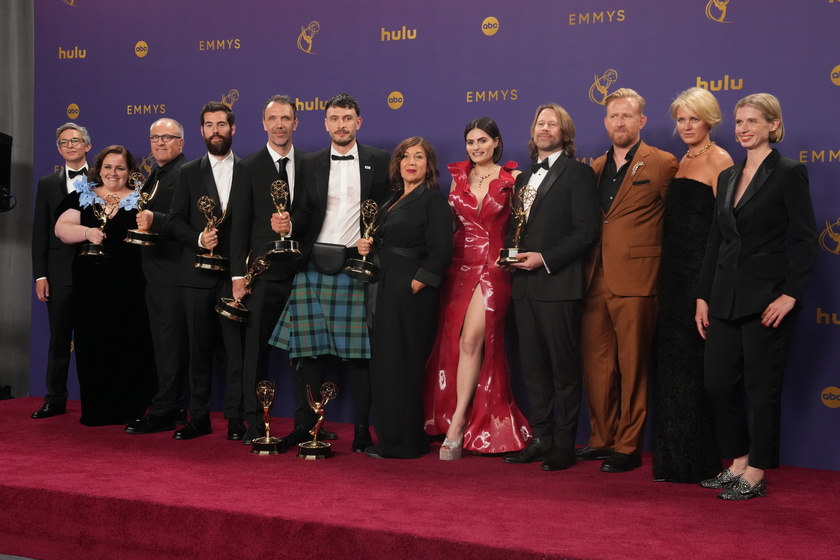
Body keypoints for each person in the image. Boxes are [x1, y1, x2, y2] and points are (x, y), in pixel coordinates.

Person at [695, 93, 818, 500]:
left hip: (767, 298)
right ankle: (737, 461)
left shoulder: (788, 172)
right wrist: (703, 297)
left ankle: (757, 472)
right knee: (716, 383)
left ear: (772, 125)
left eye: (752, 121)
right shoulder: (728, 175)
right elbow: (716, 240)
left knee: (760, 388)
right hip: (725, 297)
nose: (744, 129)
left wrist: (789, 297)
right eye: (739, 122)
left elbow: (805, 242)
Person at [269, 93, 390, 452]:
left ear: (359, 122)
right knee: (306, 353)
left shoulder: (379, 161)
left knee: (359, 356)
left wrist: (374, 243)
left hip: (356, 264)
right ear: (325, 124)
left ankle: (362, 433)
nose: (341, 124)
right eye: (334, 118)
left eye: (347, 118)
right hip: (312, 264)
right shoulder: (310, 162)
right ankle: (306, 428)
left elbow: (386, 212)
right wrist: (288, 223)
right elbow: (305, 210)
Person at [579, 88, 678, 472]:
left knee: (632, 365)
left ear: (642, 121)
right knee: (597, 365)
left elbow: (679, 225)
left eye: (627, 116)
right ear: (605, 123)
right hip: (594, 277)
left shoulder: (663, 162)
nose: (620, 122)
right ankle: (601, 438)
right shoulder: (596, 167)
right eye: (613, 117)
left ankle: (628, 445)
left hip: (639, 278)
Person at [499, 104, 600, 471]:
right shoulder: (523, 178)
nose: (545, 129)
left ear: (564, 132)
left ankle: (563, 444)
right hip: (523, 286)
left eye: (552, 124)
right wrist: (509, 255)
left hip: (558, 285)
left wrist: (546, 258)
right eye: (540, 123)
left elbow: (587, 231)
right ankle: (540, 438)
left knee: (563, 369)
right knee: (534, 368)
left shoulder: (578, 174)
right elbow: (517, 228)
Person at [423, 117, 529, 459]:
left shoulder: (513, 179)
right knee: (452, 343)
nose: (476, 147)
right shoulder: (457, 178)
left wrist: (513, 257)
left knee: (472, 341)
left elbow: (522, 228)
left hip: (496, 268)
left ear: (496, 142)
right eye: (471, 142)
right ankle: (452, 417)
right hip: (459, 266)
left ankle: (457, 426)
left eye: (482, 140)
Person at [653, 88, 733, 482]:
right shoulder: (683, 159)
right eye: (681, 119)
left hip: (698, 276)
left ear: (710, 121)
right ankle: (673, 460)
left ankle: (697, 460)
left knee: (693, 369)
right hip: (671, 275)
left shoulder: (721, 160)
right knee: (671, 367)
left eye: (693, 119)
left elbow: (725, 230)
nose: (686, 127)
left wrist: (707, 290)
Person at [358, 137, 453, 459]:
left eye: (419, 157)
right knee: (387, 364)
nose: (411, 162)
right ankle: (389, 436)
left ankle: (406, 443)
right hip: (385, 290)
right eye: (405, 157)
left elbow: (442, 251)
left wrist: (417, 283)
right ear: (397, 164)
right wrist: (368, 246)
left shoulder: (433, 201)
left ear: (429, 165)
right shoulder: (392, 198)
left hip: (411, 296)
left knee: (406, 366)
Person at [54, 145, 155, 426]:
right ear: (99, 169)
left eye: (120, 168)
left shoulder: (142, 200)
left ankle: (131, 409)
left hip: (131, 288)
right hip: (90, 288)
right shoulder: (82, 196)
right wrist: (88, 232)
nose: (114, 173)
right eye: (108, 167)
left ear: (130, 171)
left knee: (131, 344)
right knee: (92, 344)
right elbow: (62, 228)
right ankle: (97, 409)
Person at [168, 101, 246, 440]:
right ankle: (198, 417)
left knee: (236, 350)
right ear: (201, 131)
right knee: (197, 349)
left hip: (236, 277)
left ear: (233, 129)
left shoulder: (249, 170)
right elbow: (174, 222)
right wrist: (200, 237)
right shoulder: (187, 172)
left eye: (222, 124)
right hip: (196, 277)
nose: (216, 130)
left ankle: (236, 418)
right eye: (209, 125)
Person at [233, 95, 306, 445]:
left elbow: (312, 213)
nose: (279, 124)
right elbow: (239, 225)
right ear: (263, 123)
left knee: (305, 352)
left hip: (302, 273)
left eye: (286, 118)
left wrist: (291, 225)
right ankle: (253, 424)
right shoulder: (247, 167)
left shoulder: (309, 164)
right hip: (261, 277)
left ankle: (308, 424)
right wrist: (236, 277)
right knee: (255, 353)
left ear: (296, 123)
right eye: (273, 118)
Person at [125, 118, 189, 435]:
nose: (160, 143)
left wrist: (154, 220)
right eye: (154, 137)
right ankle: (172, 405)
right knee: (164, 345)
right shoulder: (156, 175)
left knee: (170, 344)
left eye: (167, 137)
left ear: (181, 142)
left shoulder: (185, 173)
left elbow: (184, 222)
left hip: (174, 274)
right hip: (154, 274)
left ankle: (166, 409)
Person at [31, 123, 92, 419]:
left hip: (96, 272)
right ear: (58, 149)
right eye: (64, 142)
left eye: (75, 140)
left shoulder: (103, 178)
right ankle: (54, 399)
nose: (70, 145)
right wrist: (40, 275)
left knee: (95, 339)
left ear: (87, 146)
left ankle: (96, 400)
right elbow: (40, 233)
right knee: (58, 340)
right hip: (58, 274)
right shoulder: (46, 184)